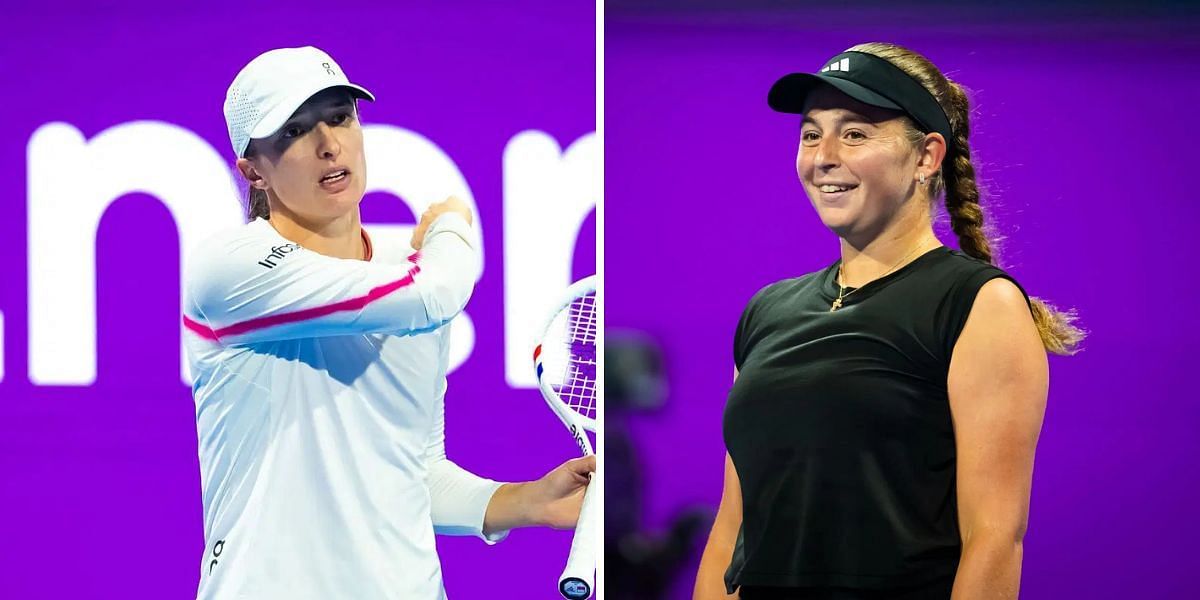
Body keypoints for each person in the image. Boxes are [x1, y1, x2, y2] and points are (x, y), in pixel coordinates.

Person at [182, 46, 593, 600]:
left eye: (340, 116)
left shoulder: (411, 273)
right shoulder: (230, 270)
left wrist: (525, 501)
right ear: (253, 171)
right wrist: (451, 227)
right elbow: (437, 289)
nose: (329, 143)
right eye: (294, 131)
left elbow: (414, 472)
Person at [693, 43, 1084, 600]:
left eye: (854, 133)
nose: (823, 155)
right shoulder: (767, 311)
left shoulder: (979, 303)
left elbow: (994, 539)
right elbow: (734, 528)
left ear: (926, 157)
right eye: (811, 133)